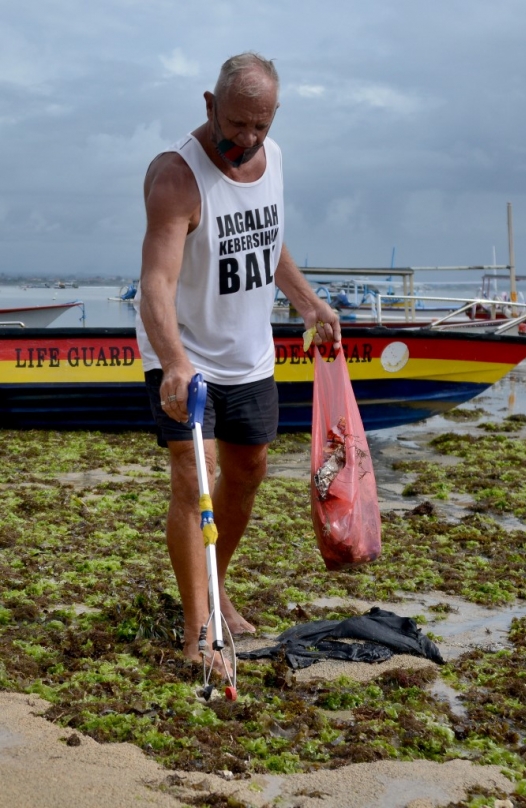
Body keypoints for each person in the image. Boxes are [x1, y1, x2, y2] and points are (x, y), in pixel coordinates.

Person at [134, 52, 341, 669]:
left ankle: (214, 587)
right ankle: (199, 631)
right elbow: (156, 284)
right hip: (183, 351)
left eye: (261, 126)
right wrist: (174, 361)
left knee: (248, 471)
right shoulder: (177, 176)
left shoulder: (271, 160)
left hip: (248, 353)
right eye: (236, 125)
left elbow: (265, 236)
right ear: (209, 105)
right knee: (191, 480)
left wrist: (307, 303)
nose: (247, 141)